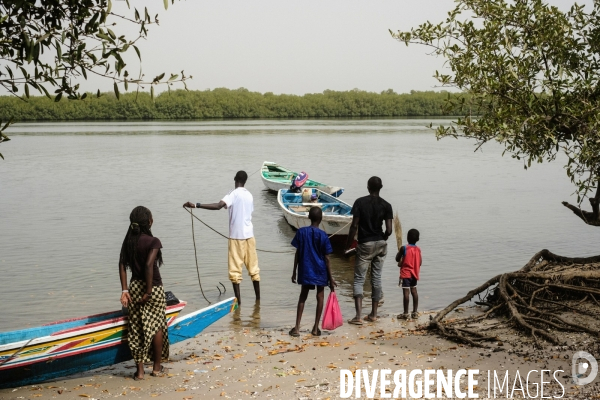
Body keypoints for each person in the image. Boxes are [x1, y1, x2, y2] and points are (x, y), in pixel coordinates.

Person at [183, 171, 259, 305]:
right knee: (254, 270)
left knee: (235, 272)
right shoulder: (249, 195)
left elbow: (218, 206)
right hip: (250, 236)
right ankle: (258, 301)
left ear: (235, 179)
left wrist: (196, 205)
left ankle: (239, 304)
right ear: (245, 181)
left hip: (236, 237)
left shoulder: (233, 193)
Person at [119, 206, 168, 381]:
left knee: (137, 328)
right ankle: (156, 368)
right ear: (149, 222)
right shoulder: (153, 241)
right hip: (152, 288)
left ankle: (140, 372)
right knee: (157, 326)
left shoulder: (129, 242)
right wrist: (148, 292)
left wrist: (124, 290)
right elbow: (149, 266)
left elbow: (122, 265)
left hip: (134, 288)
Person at [344, 176, 393, 324]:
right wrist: (382, 238)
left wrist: (348, 245)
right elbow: (389, 230)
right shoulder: (387, 205)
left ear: (367, 187)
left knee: (359, 279)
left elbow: (354, 226)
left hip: (365, 244)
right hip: (381, 244)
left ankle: (358, 317)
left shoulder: (360, 202)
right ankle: (373, 314)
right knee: (376, 279)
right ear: (381, 187)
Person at [290, 207, 337, 337]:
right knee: (320, 296)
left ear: (309, 217)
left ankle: (297, 328)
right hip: (320, 270)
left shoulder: (301, 232)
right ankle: (316, 328)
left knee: (302, 297)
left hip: (305, 269)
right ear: (321, 219)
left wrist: (294, 271)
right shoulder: (323, 235)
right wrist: (331, 278)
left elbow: (297, 253)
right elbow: (327, 259)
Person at [396, 229, 422, 320]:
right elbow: (420, 262)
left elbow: (397, 258)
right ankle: (415, 312)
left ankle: (406, 313)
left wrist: (401, 259)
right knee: (414, 291)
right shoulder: (418, 249)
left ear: (407, 237)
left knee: (406, 293)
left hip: (406, 274)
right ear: (418, 239)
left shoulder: (404, 248)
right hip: (414, 274)